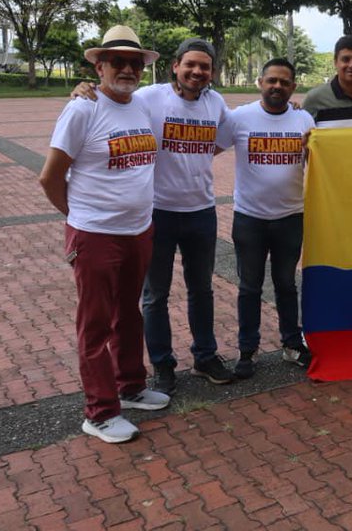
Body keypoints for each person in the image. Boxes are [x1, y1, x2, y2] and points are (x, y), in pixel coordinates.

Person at [71, 39, 234, 392]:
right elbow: (111, 101)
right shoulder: (149, 98)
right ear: (175, 66)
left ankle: (205, 356)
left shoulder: (216, 102)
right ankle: (162, 364)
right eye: (190, 64)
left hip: (201, 210)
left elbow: (220, 142)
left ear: (212, 73)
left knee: (201, 289)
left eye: (204, 67)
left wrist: (194, 160)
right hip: (156, 212)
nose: (197, 72)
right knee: (155, 294)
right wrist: (84, 89)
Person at [37, 25, 170, 444]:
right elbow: (50, 177)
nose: (127, 69)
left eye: (134, 62)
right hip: (95, 234)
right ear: (99, 66)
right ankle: (98, 412)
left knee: (129, 312)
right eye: (117, 61)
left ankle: (130, 386)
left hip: (138, 230)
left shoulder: (141, 106)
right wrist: (79, 219)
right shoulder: (83, 109)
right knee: (94, 324)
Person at [218, 58, 316, 379]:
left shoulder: (304, 119)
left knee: (287, 284)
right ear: (260, 82)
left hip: (290, 217)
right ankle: (248, 350)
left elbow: (323, 158)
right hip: (250, 219)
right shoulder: (239, 118)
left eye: (284, 82)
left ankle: (291, 343)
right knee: (249, 286)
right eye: (271, 80)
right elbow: (206, 148)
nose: (277, 86)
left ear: (293, 87)